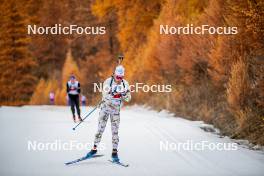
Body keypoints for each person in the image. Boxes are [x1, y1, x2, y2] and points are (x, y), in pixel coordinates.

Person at [86, 65, 131, 162]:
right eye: (118, 77)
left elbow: (128, 98)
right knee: (100, 129)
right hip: (105, 109)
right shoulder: (108, 82)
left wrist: (124, 94)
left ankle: (114, 152)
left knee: (115, 131)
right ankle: (94, 149)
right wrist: (113, 93)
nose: (119, 79)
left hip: (116, 111)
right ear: (114, 74)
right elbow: (105, 97)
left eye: (121, 77)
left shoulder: (125, 84)